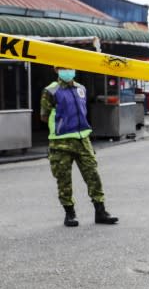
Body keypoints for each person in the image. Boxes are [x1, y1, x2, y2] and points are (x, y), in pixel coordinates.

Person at [41, 66, 119, 227]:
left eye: (70, 67)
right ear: (56, 70)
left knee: (93, 175)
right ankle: (70, 214)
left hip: (83, 139)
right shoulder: (50, 91)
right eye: (63, 68)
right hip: (60, 141)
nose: (68, 71)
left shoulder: (81, 88)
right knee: (64, 180)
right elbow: (44, 116)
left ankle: (101, 212)